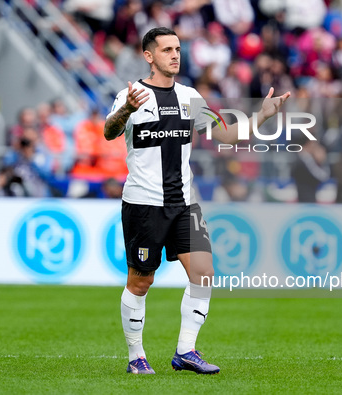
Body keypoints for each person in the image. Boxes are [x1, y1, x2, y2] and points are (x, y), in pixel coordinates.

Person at [104, 27, 290, 375]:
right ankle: (135, 356)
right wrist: (126, 111)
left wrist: (263, 115)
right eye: (166, 50)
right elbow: (109, 132)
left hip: (184, 203)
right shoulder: (130, 95)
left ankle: (185, 351)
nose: (175, 55)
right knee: (140, 281)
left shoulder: (190, 97)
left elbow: (228, 135)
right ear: (149, 56)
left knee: (204, 273)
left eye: (177, 49)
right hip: (144, 204)